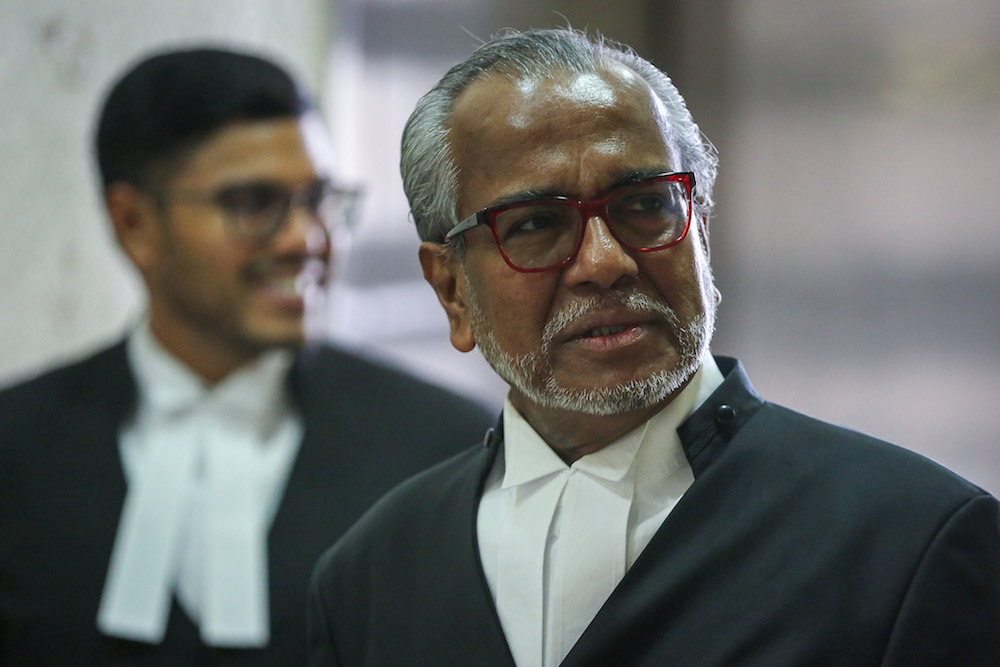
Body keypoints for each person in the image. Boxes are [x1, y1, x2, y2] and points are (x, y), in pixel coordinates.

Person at [307, 27, 1000, 666]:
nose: (604, 262)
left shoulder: (909, 541)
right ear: (453, 290)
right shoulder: (371, 577)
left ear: (701, 228)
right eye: (536, 223)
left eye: (645, 204)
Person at [0, 47, 494, 665]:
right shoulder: (15, 447)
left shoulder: (446, 447)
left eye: (319, 199)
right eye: (254, 204)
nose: (306, 239)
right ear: (134, 224)